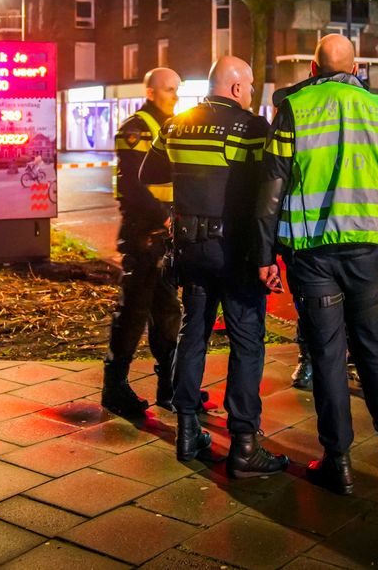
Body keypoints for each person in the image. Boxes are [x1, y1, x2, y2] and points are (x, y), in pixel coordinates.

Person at [255, 34, 378, 495]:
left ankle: (339, 461)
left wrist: (263, 255)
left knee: (328, 354)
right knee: (373, 344)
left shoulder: (295, 108)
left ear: (313, 69)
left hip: (311, 256)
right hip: (367, 255)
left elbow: (274, 183)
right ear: (357, 69)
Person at [140, 56, 289, 476]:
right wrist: (268, 254)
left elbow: (147, 175)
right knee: (247, 341)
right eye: (251, 87)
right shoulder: (252, 129)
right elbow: (268, 192)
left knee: (194, 331)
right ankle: (244, 443)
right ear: (237, 88)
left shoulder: (176, 124)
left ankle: (187, 431)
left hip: (190, 248)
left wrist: (176, 207)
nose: (252, 94)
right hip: (237, 251)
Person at [100, 67, 183, 418]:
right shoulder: (136, 129)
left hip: (164, 236)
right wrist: (165, 215)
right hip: (143, 236)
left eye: (177, 89)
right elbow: (134, 187)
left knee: (167, 313)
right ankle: (114, 387)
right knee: (133, 313)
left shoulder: (173, 127)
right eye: (168, 89)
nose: (175, 96)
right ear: (150, 93)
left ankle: (170, 387)